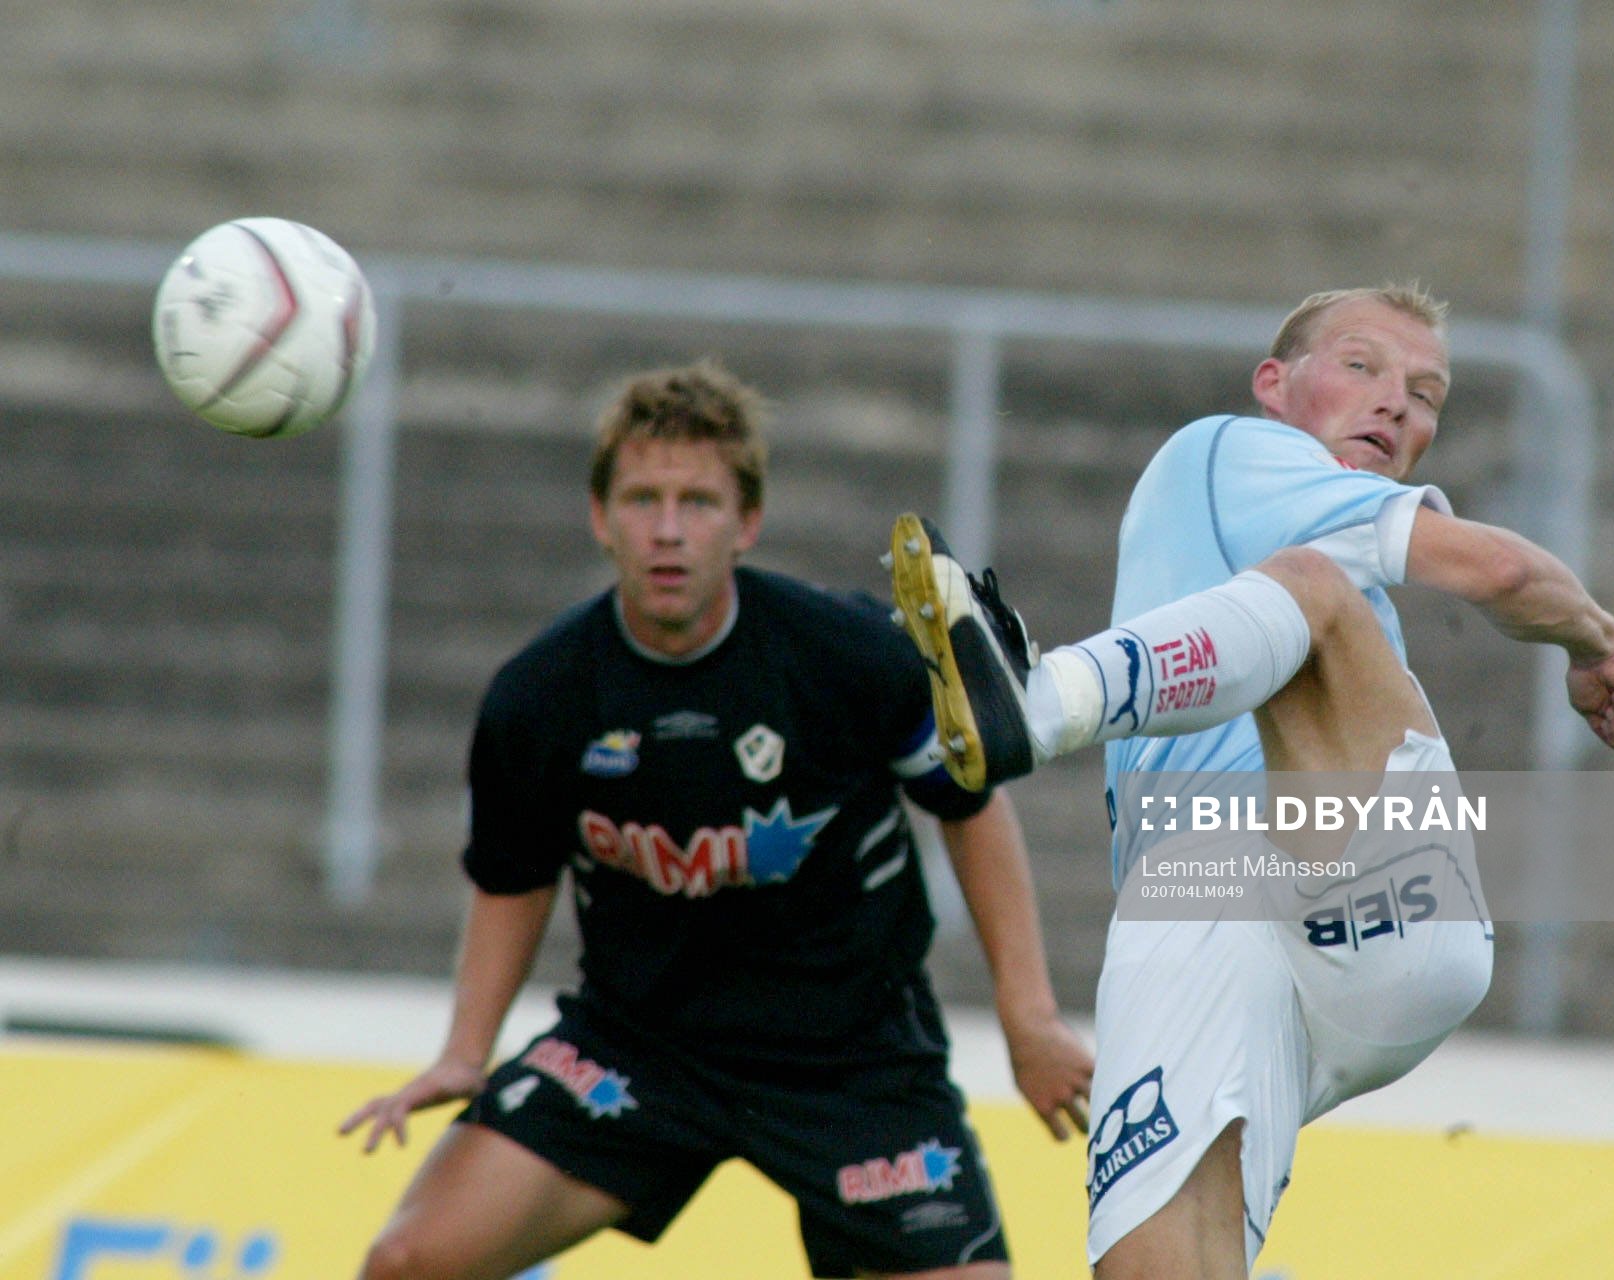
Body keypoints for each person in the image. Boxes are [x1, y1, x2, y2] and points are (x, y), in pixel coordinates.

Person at [887, 284, 1614, 1278]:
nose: (1396, 402)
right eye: (1361, 365)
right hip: (1204, 913)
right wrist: (1595, 646)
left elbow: (1500, 574)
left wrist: (1602, 639)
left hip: (1373, 890)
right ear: (1273, 383)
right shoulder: (1225, 446)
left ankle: (1039, 705)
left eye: (1426, 393)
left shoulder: (1305, 528)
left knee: (1313, 592)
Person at [340, 359, 1093, 1280]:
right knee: (407, 1262)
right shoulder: (538, 697)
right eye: (641, 498)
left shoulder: (843, 653)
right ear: (599, 517)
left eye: (696, 502)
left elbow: (972, 809)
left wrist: (1029, 1020)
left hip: (853, 1066)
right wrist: (465, 1052)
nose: (666, 530)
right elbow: (513, 878)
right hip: (636, 1053)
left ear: (746, 523)